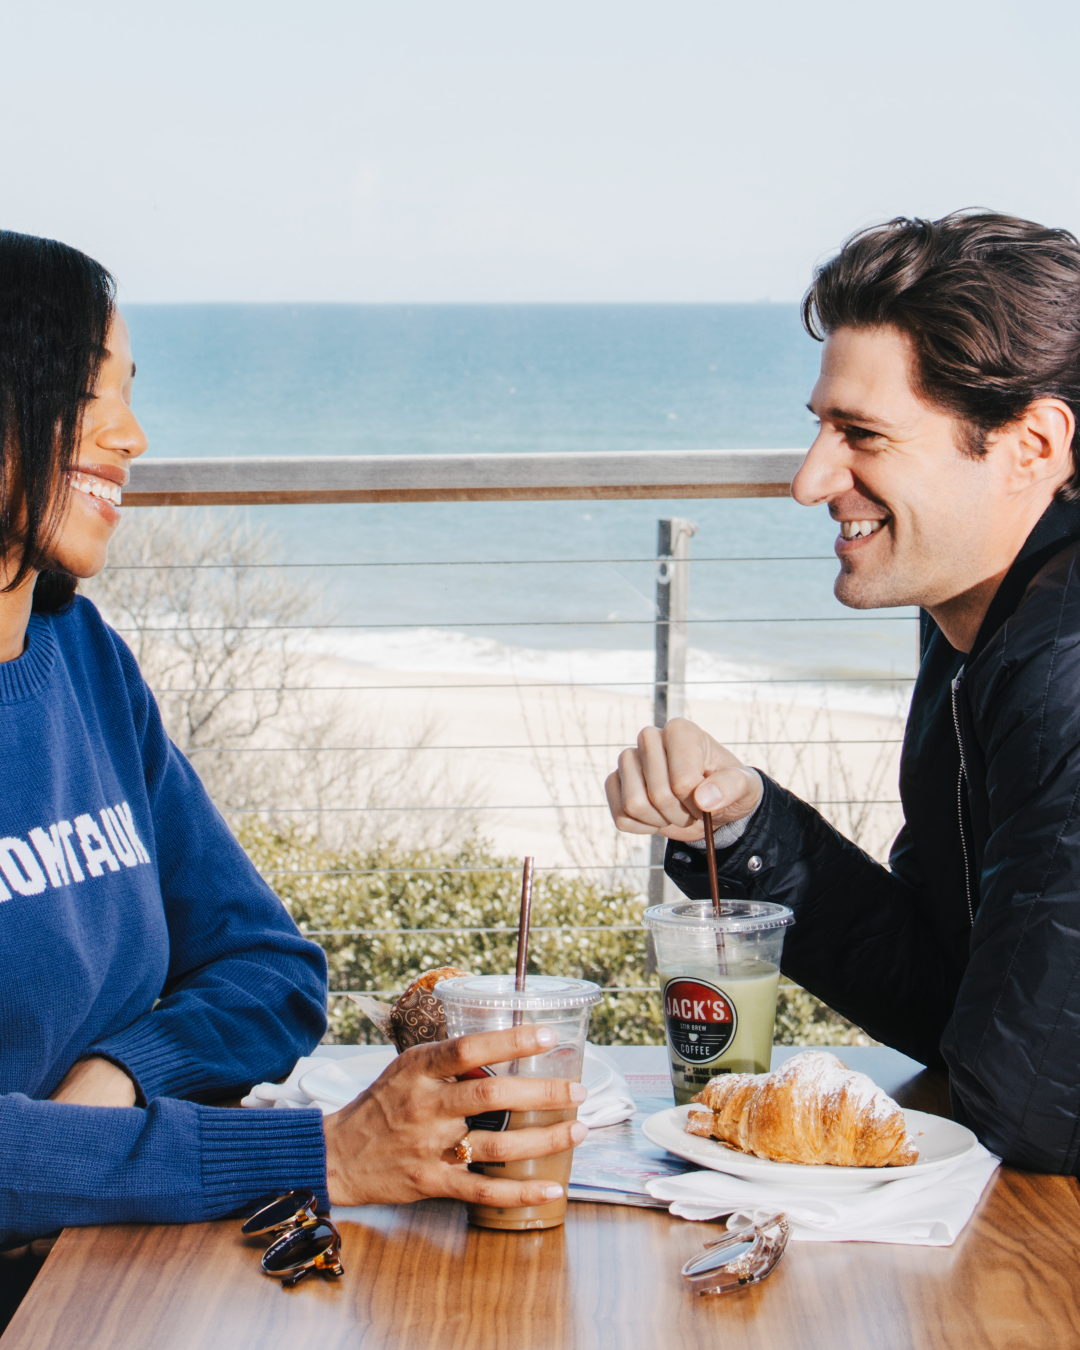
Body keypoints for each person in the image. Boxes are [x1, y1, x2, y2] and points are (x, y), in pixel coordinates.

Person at [0, 231, 584, 1271]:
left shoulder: (83, 663)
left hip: (128, 1266)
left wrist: (121, 1078)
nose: (131, 436)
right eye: (91, 396)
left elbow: (270, 972)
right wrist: (320, 1151)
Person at [607, 210, 1080, 1175]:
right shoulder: (975, 626)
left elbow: (1029, 1105)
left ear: (1033, 444)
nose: (810, 479)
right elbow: (954, 994)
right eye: (821, 428)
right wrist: (744, 828)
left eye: (861, 434)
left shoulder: (1060, 671)